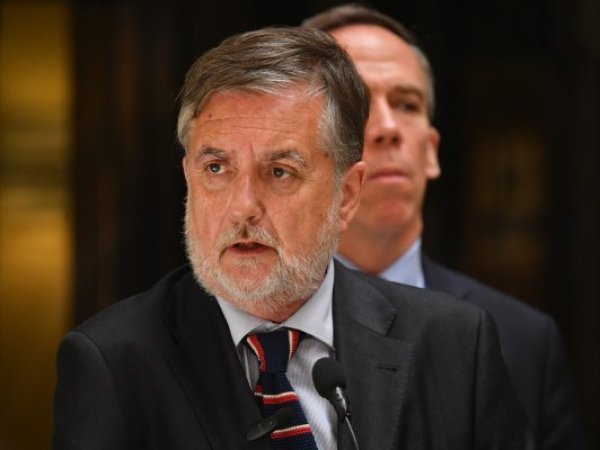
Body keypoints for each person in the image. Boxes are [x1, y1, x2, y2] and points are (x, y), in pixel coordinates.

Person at [52, 26, 530, 449]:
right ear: (188, 177)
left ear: (347, 195)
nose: (242, 207)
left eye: (280, 171)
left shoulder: (455, 345)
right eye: (216, 168)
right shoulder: (112, 363)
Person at [303, 4, 586, 450]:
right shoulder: (242, 333)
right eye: (356, 104)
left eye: (407, 104)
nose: (388, 128)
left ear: (431, 149)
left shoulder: (522, 340)